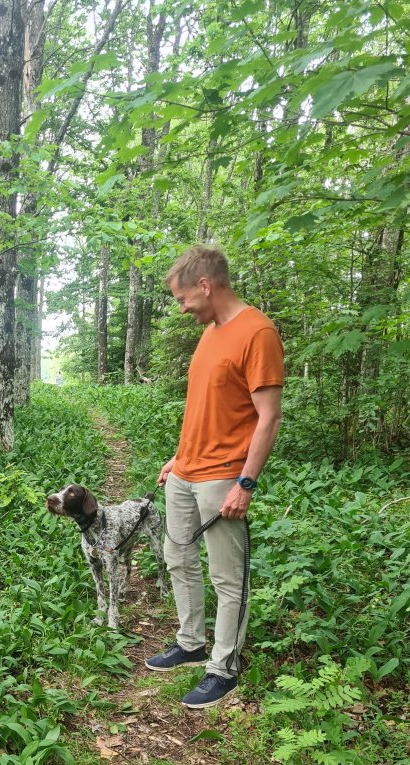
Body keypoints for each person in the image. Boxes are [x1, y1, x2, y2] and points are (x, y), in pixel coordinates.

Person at [145, 246, 283, 709]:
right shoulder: (210, 332)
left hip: (224, 477)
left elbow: (268, 417)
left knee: (228, 578)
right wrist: (177, 456)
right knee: (176, 558)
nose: (182, 308)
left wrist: (246, 483)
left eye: (183, 298)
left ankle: (223, 667)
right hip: (186, 471)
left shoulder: (256, 332)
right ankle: (191, 643)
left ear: (206, 286)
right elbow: (206, 407)